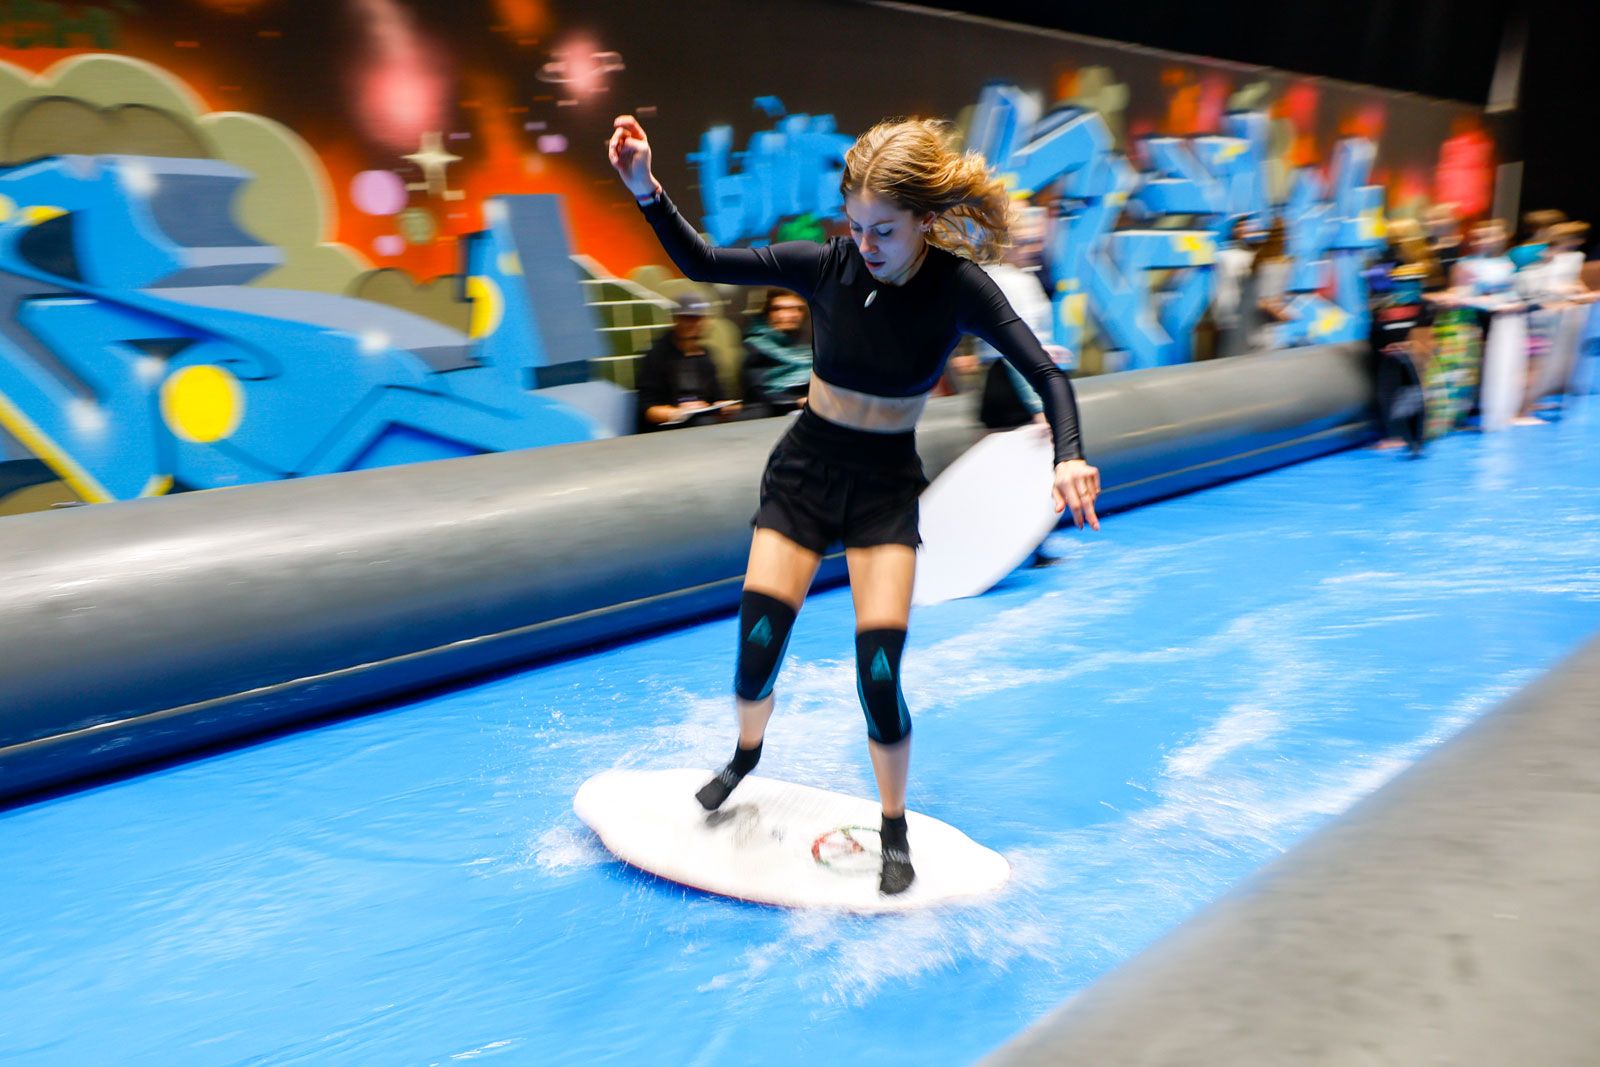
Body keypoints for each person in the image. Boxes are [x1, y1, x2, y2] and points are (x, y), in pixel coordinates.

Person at [608, 113, 1099, 895]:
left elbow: (1048, 373)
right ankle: (744, 754)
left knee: (878, 668)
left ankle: (893, 821)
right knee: (758, 641)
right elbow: (701, 260)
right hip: (805, 473)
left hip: (883, 489)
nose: (866, 243)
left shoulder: (958, 288)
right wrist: (646, 189)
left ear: (925, 220)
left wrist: (1070, 454)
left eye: (885, 230)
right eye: (856, 224)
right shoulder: (826, 265)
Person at [634, 292, 737, 432]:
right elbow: (647, 409)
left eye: (698, 318)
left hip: (703, 420)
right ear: (676, 320)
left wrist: (724, 407)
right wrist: (678, 413)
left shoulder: (706, 355)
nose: (695, 324)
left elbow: (719, 397)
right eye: (688, 318)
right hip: (671, 426)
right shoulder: (656, 354)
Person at [741, 289, 813, 415]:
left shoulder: (808, 342)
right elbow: (759, 391)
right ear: (768, 314)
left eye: (797, 309)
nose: (789, 315)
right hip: (771, 413)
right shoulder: (756, 345)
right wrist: (796, 402)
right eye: (779, 309)